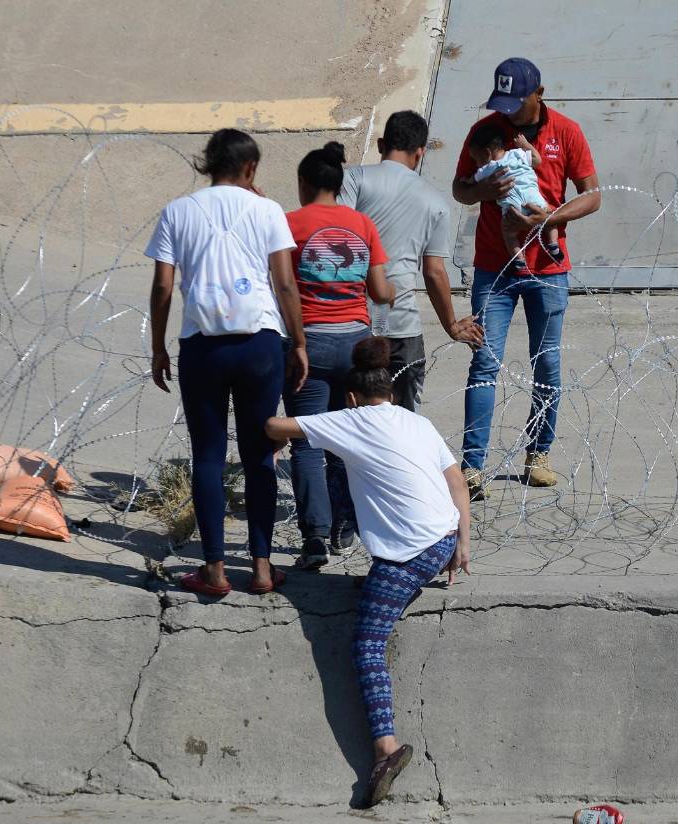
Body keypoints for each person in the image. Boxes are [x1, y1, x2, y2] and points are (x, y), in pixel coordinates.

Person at [264, 337, 471, 808]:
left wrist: (272, 425)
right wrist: (463, 543)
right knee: (350, 470)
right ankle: (386, 581)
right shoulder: (417, 421)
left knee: (367, 643)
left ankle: (385, 748)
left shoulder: (349, 419)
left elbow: (275, 425)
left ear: (352, 397)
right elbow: (456, 480)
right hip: (444, 538)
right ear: (392, 395)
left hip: (410, 554)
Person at [146, 128, 306, 597]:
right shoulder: (268, 210)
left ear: (208, 163)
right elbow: (284, 283)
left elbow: (162, 286)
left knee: (208, 456)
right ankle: (261, 568)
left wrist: (158, 346)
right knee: (260, 453)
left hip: (203, 346)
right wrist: (298, 342)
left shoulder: (177, 211)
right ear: (251, 168)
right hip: (260, 344)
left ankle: (214, 570)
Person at [452, 57, 601, 499]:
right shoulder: (485, 133)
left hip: (549, 269)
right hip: (494, 268)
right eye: (503, 103)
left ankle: (539, 453)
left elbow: (592, 195)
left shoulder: (567, 132)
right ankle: (472, 466)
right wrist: (483, 190)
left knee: (547, 362)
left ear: (539, 94)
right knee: (484, 361)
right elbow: (460, 188)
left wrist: (549, 218)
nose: (509, 112)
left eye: (517, 102)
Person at [284, 142, 395, 570]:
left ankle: (313, 537)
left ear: (303, 183)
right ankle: (344, 527)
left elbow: (280, 284)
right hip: (355, 343)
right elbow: (380, 291)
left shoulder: (289, 224)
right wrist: (394, 289)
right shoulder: (362, 224)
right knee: (347, 440)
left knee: (307, 441)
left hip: (308, 343)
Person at [339, 110, 483, 413]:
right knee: (403, 421)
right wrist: (452, 326)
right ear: (420, 153)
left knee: (351, 418)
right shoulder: (435, 202)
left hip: (354, 321)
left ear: (381, 144)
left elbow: (338, 237)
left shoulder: (353, 180)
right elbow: (434, 272)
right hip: (403, 328)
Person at [461, 122, 561, 274]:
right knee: (550, 217)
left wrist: (466, 181)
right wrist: (525, 144)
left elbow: (473, 180)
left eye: (476, 159)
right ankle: (553, 244)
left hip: (512, 207)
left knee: (508, 233)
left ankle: (518, 259)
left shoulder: (486, 169)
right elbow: (537, 160)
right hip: (533, 199)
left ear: (487, 153)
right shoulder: (517, 154)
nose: (477, 164)